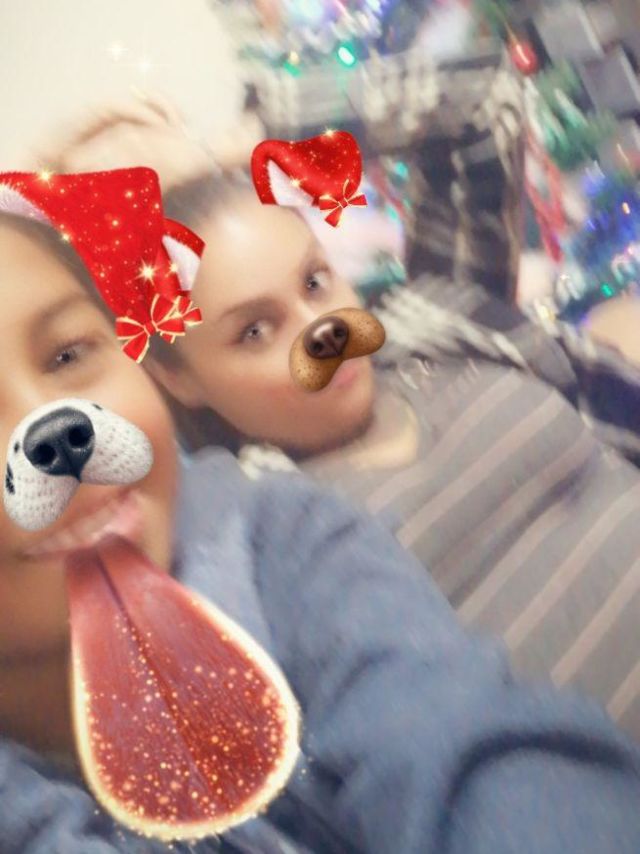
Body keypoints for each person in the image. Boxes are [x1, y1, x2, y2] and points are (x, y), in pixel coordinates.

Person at [3, 194, 640, 854]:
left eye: (66, 355)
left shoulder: (432, 327)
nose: (323, 330)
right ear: (174, 378)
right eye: (255, 331)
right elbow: (439, 729)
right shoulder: (275, 515)